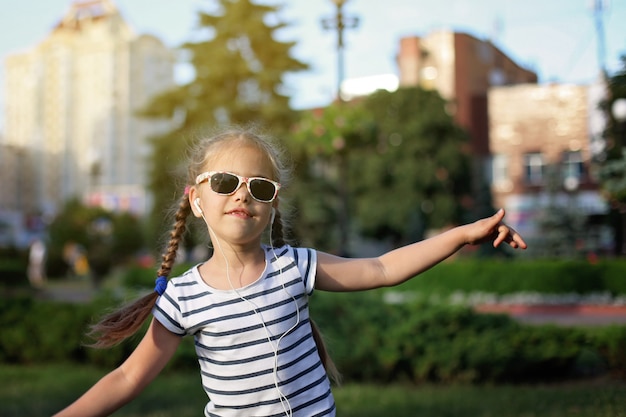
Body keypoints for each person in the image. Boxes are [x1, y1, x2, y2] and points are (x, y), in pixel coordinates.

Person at [54, 127, 526, 417]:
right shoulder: (183, 297)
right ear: (197, 200)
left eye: (258, 186)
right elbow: (126, 379)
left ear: (271, 205)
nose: (242, 195)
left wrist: (460, 235)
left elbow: (382, 267)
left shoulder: (294, 267)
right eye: (224, 183)